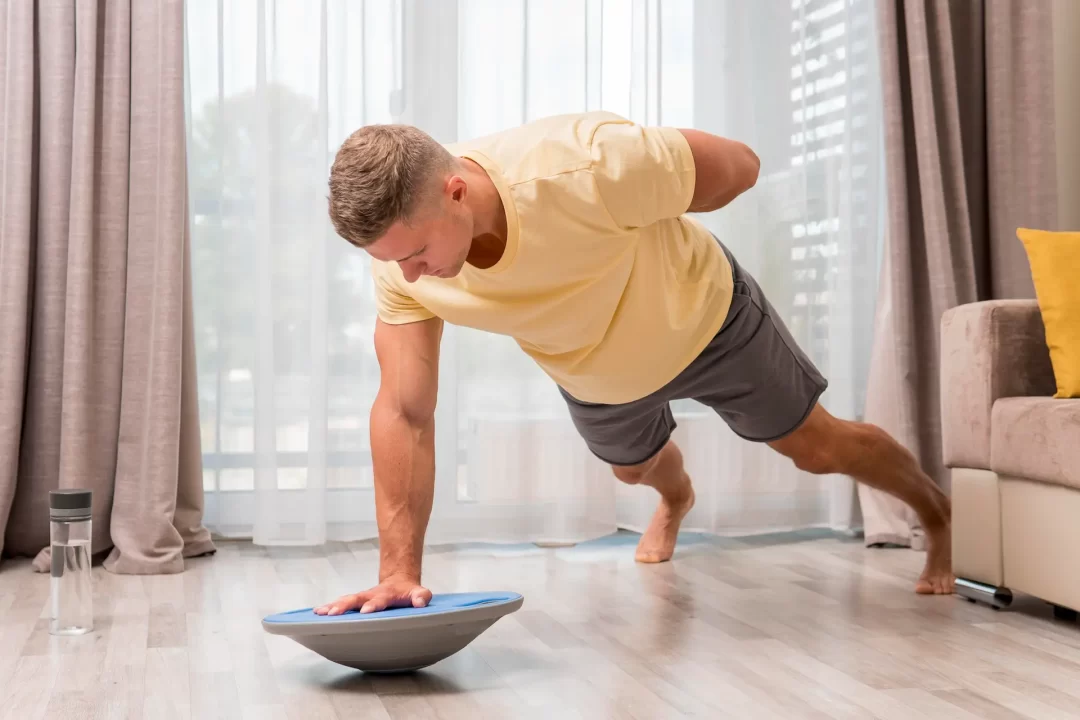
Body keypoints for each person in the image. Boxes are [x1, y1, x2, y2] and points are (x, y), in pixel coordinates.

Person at [314, 111, 954, 616]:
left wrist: (664, 180)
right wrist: (398, 572)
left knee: (816, 446)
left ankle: (934, 511)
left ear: (456, 193)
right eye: (394, 259)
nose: (409, 274)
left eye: (418, 252)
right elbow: (404, 410)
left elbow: (742, 167)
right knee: (631, 471)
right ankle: (676, 500)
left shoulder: (587, 164)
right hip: (597, 373)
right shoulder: (403, 270)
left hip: (709, 321)